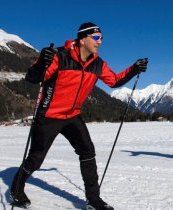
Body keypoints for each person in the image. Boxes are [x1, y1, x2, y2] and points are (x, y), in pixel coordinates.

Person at [10, 22, 148, 210]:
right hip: (49, 115)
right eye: (96, 37)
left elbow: (114, 81)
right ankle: (17, 188)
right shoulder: (60, 56)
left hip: (72, 115)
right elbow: (33, 78)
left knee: (87, 152)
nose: (100, 42)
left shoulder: (98, 64)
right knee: (36, 158)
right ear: (83, 39)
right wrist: (42, 61)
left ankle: (93, 200)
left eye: (102, 38)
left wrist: (134, 69)